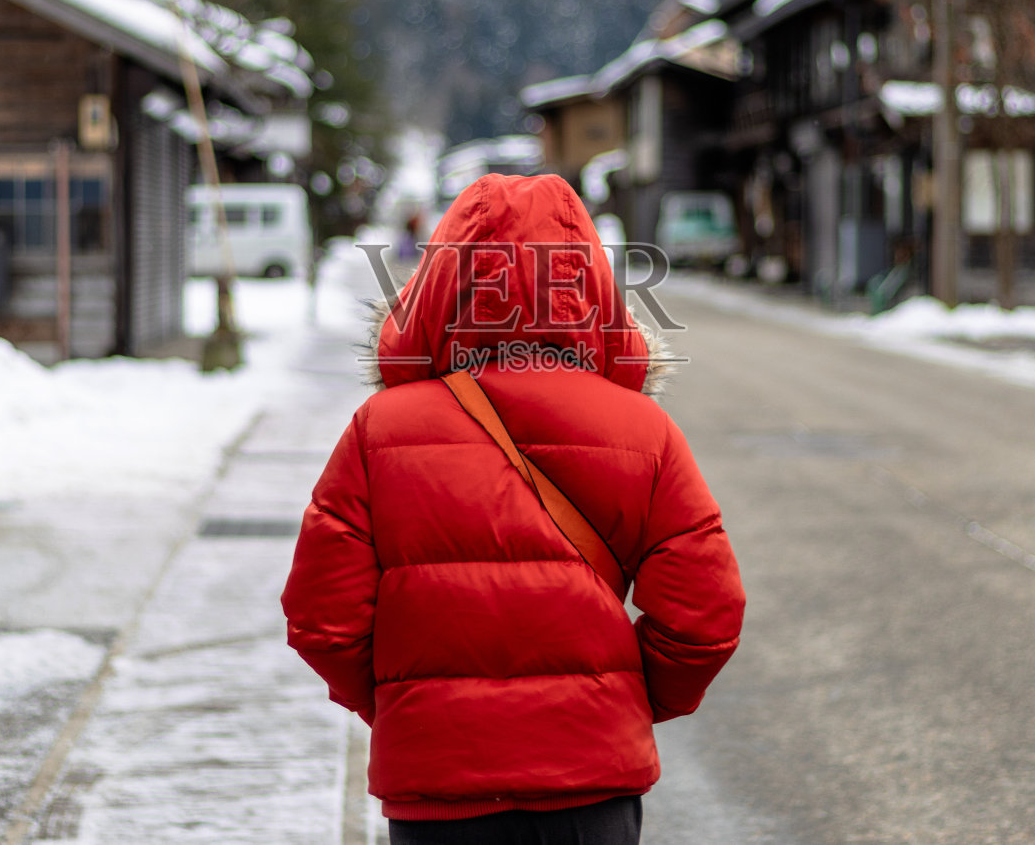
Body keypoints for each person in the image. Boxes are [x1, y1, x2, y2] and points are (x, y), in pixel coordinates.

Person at [281, 173, 745, 844]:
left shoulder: (379, 430)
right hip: (591, 788)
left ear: (440, 284)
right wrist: (627, 699)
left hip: (436, 790)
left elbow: (321, 617)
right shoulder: (643, 432)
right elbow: (706, 617)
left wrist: (404, 704)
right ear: (589, 285)